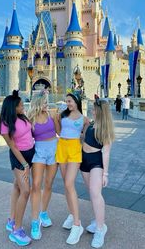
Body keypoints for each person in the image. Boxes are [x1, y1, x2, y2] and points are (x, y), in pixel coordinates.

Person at [0, 90, 34, 247]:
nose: (22, 106)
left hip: (31, 153)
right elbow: (12, 146)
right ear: (13, 107)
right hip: (19, 158)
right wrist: (25, 164)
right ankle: (17, 230)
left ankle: (11, 220)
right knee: (26, 191)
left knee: (17, 186)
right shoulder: (5, 123)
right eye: (20, 105)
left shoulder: (22, 117)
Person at [80, 97, 115, 248]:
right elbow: (83, 140)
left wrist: (105, 174)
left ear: (100, 112)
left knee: (95, 193)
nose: (91, 111)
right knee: (91, 192)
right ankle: (98, 220)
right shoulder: (91, 124)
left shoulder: (104, 128)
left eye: (94, 109)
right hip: (84, 161)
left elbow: (106, 152)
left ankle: (100, 229)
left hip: (96, 162)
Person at [55, 93, 89, 245]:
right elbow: (58, 131)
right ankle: (71, 213)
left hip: (75, 149)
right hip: (62, 146)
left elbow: (85, 136)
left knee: (69, 184)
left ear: (76, 101)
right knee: (66, 185)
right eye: (67, 101)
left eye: (69, 101)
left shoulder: (84, 119)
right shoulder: (63, 115)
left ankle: (77, 224)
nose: (67, 103)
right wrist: (55, 117)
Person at [27, 90, 59, 240]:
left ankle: (43, 212)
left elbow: (61, 132)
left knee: (48, 184)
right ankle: (35, 222)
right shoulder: (30, 118)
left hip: (53, 151)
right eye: (45, 102)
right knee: (36, 186)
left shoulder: (52, 114)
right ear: (38, 104)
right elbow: (24, 137)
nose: (47, 105)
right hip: (39, 152)